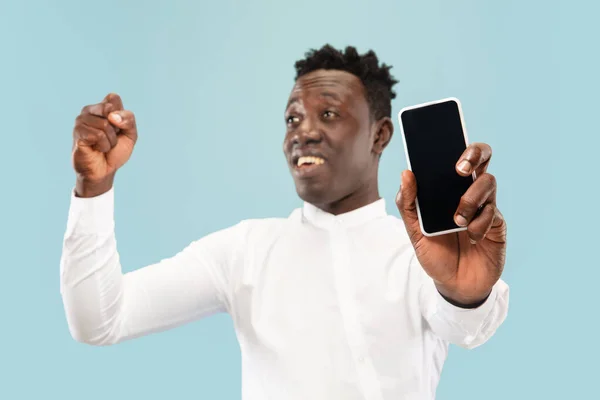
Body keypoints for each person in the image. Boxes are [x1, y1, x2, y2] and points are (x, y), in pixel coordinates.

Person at [60, 44, 509, 400]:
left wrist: (463, 294)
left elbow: (466, 329)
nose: (303, 132)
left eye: (328, 114)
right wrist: (93, 188)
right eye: (292, 118)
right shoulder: (244, 251)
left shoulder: (422, 254)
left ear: (380, 134)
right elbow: (100, 320)